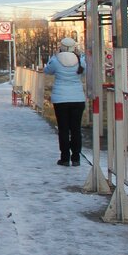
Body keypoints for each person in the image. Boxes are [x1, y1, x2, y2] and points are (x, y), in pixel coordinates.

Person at [44, 36, 87, 166]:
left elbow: (47, 71)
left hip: (60, 99)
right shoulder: (80, 60)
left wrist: (53, 56)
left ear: (61, 47)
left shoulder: (56, 60)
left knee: (63, 129)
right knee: (76, 129)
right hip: (77, 99)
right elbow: (85, 71)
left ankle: (64, 158)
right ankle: (76, 158)